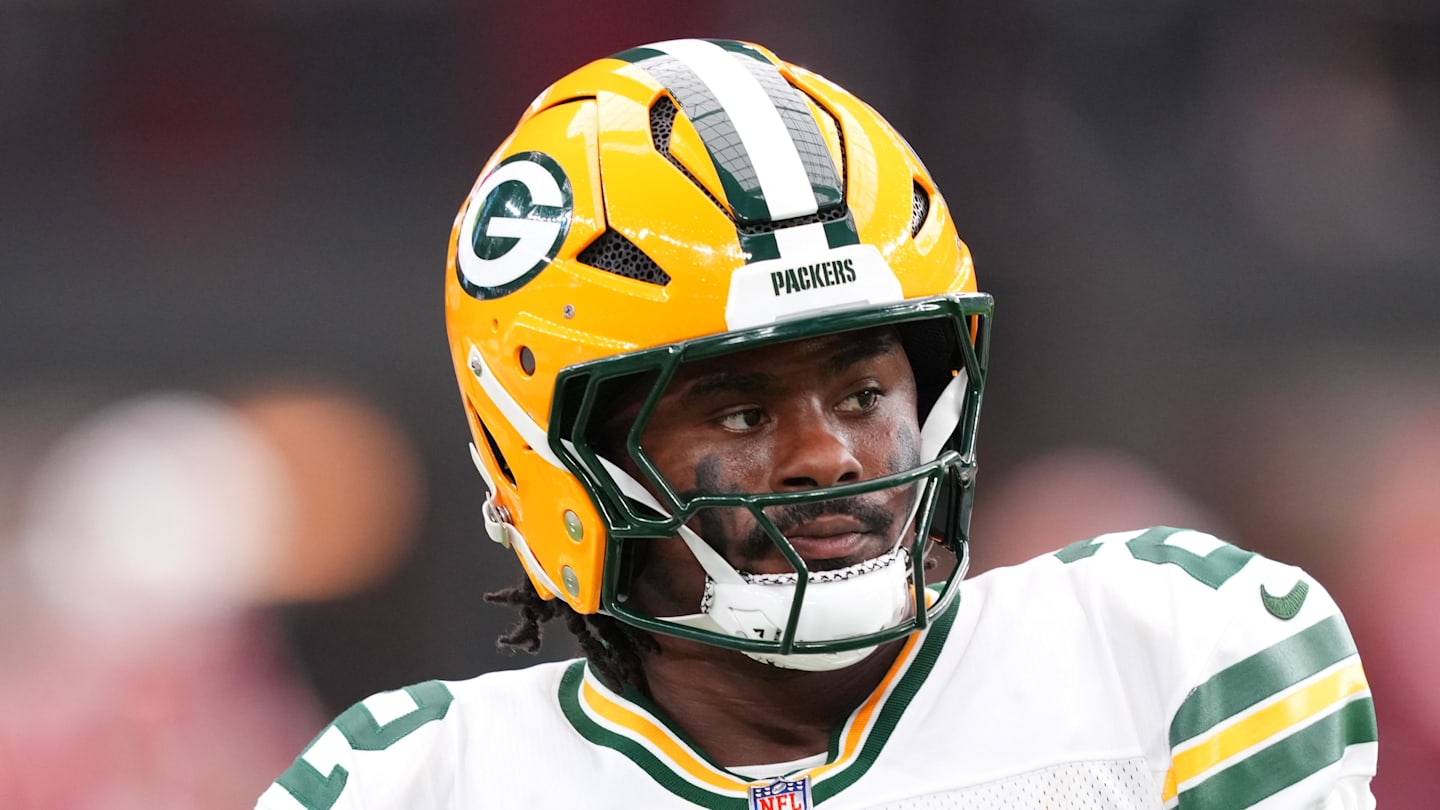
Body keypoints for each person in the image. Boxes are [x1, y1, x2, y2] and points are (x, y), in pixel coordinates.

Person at [257, 39, 1376, 809]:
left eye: (861, 394)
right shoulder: (411, 781)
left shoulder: (1171, 652)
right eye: (742, 409)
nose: (827, 455)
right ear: (554, 458)